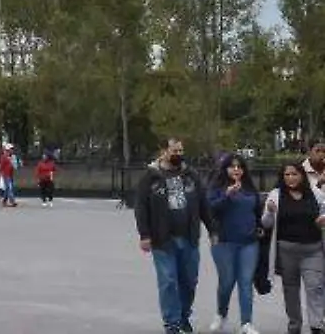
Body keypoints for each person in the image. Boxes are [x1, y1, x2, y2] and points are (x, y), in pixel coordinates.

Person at [135, 137, 209, 334]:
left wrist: (214, 229)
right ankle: (172, 323)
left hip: (189, 237)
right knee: (168, 280)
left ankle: (184, 316)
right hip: (163, 239)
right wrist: (144, 235)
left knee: (189, 281)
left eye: (181, 151)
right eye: (174, 151)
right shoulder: (151, 177)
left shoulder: (191, 175)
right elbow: (141, 207)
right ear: (164, 151)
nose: (178, 154)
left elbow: (203, 203)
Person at [260, 160, 324, 334]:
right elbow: (265, 224)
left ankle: (317, 325)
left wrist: (322, 220)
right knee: (290, 289)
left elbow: (324, 211)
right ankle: (294, 325)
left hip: (313, 250)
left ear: (302, 175)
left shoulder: (315, 193)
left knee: (315, 287)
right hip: (286, 250)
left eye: (294, 174)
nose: (290, 178)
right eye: (286, 175)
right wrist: (270, 212)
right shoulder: (275, 195)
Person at [207, 152, 261, 334]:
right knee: (227, 282)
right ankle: (221, 314)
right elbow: (210, 210)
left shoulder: (250, 188)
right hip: (224, 242)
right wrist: (227, 195)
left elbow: (257, 212)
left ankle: (246, 323)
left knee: (245, 282)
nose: (236, 169)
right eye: (232, 166)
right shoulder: (217, 187)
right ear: (225, 169)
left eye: (240, 166)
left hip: (249, 242)